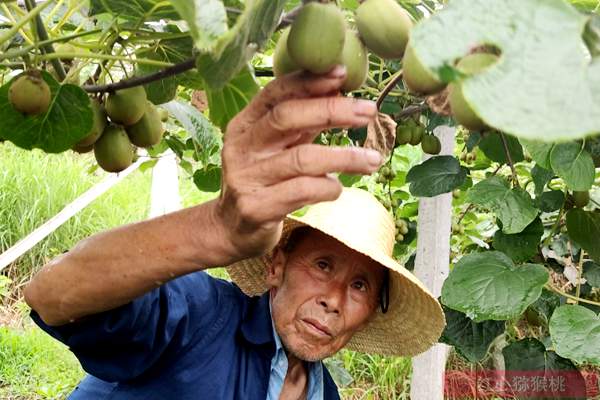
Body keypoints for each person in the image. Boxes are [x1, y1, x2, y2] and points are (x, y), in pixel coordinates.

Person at [24, 66, 445, 400]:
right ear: (276, 266)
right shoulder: (201, 316)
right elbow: (54, 294)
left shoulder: (325, 394)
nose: (332, 301)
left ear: (372, 310)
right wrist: (216, 229)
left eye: (359, 285)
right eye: (321, 265)